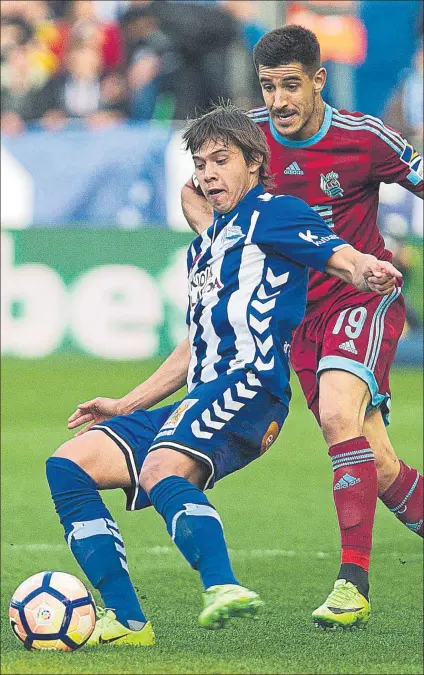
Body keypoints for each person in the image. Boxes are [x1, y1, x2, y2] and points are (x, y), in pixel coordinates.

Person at [46, 103, 401, 646]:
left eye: (221, 160)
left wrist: (366, 269)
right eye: (200, 164)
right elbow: (193, 348)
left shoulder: (274, 212)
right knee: (68, 465)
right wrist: (125, 404)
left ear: (254, 163)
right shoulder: (205, 250)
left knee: (162, 467)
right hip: (202, 392)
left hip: (251, 388)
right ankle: (127, 622)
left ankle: (223, 585)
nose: (209, 174)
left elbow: (337, 255)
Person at [181, 25, 423, 631]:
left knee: (341, 416)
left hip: (361, 295)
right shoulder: (248, 138)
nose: (280, 99)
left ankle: (352, 583)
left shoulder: (363, 139)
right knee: (381, 465)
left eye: (292, 85)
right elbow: (195, 190)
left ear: (318, 80)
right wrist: (221, 238)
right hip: (294, 321)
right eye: (269, 86)